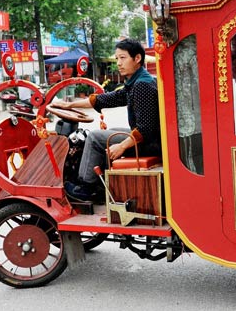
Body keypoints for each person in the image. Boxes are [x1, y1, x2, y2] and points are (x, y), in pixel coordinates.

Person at [53, 39, 161, 202]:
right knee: (109, 132)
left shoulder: (142, 85)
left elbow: (145, 129)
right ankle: (100, 184)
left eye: (123, 58)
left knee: (95, 137)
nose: (118, 63)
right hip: (151, 140)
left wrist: (121, 146)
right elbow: (105, 99)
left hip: (151, 144)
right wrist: (68, 105)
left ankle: (86, 187)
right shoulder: (137, 81)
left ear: (137, 58)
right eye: (117, 58)